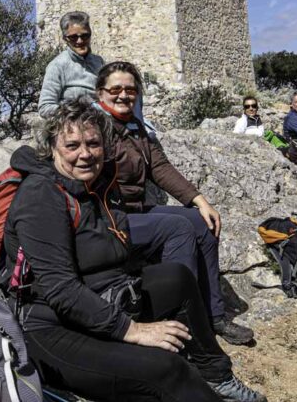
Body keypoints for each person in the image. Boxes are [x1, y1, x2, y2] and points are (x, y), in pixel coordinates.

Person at [0, 100, 266, 402]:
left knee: (176, 277)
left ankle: (215, 375)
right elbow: (61, 290)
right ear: (52, 147)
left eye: (93, 143)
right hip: (50, 328)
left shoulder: (93, 186)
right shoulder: (42, 196)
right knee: (167, 368)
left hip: (100, 302)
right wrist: (133, 330)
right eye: (72, 145)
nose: (85, 154)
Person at [95, 61, 255, 345]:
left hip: (135, 212)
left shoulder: (135, 127)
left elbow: (160, 167)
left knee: (202, 221)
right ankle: (179, 321)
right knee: (176, 226)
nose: (123, 95)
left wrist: (199, 200)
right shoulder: (95, 128)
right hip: (109, 218)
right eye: (115, 89)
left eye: (130, 90)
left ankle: (213, 313)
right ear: (100, 93)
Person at [38, 11, 105, 118]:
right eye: (73, 37)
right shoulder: (57, 66)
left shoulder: (99, 62)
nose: (80, 41)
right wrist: (75, 113)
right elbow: (45, 107)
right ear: (65, 39)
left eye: (85, 36)